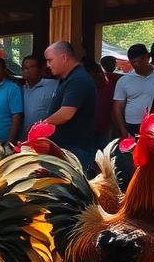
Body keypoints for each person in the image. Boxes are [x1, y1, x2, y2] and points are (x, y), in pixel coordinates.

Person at [42, 41, 98, 172]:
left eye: (50, 60)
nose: (47, 65)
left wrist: (41, 126)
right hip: (66, 149)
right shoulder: (67, 78)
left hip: (76, 151)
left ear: (64, 58)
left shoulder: (78, 79)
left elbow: (66, 114)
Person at [112, 44, 154, 138]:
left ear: (148, 57)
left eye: (141, 60)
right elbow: (117, 107)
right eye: (134, 62)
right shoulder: (124, 80)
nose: (138, 64)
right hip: (132, 124)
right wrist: (123, 131)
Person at [19, 54, 57, 139]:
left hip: (45, 139)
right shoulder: (20, 90)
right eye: (25, 68)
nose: (28, 70)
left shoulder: (53, 85)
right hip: (24, 140)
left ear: (40, 69)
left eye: (32, 67)